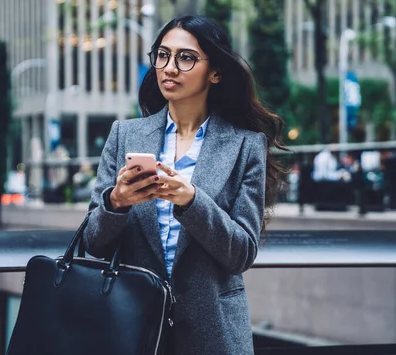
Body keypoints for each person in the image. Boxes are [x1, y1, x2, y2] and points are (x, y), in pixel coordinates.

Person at [82, 16, 286, 355]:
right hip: (134, 329)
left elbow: (241, 253)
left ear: (215, 72)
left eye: (185, 57)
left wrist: (192, 202)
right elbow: (93, 243)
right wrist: (116, 202)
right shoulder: (125, 135)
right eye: (162, 55)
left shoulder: (245, 146)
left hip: (214, 334)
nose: (169, 68)